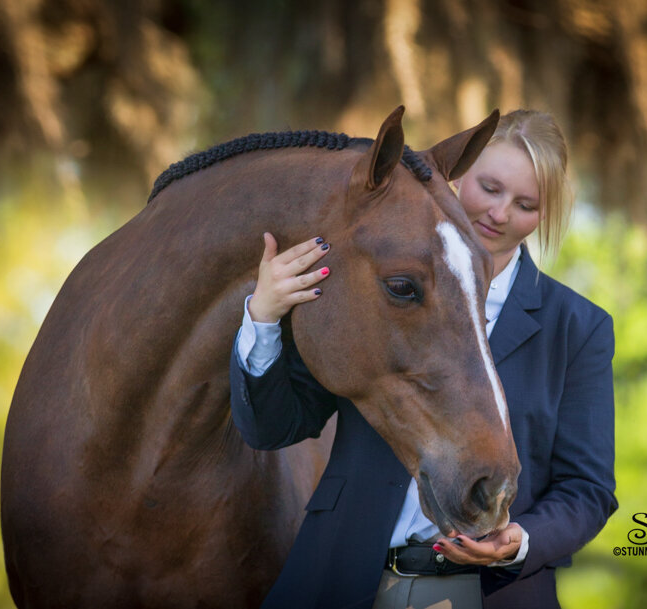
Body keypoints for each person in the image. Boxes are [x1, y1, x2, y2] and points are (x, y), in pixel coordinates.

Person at [229, 110, 617, 609]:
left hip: (487, 595)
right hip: (340, 580)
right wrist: (262, 318)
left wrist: (521, 541)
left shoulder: (577, 328)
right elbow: (272, 428)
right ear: (456, 179)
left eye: (526, 204)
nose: (500, 214)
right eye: (490, 187)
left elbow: (587, 488)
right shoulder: (379, 289)